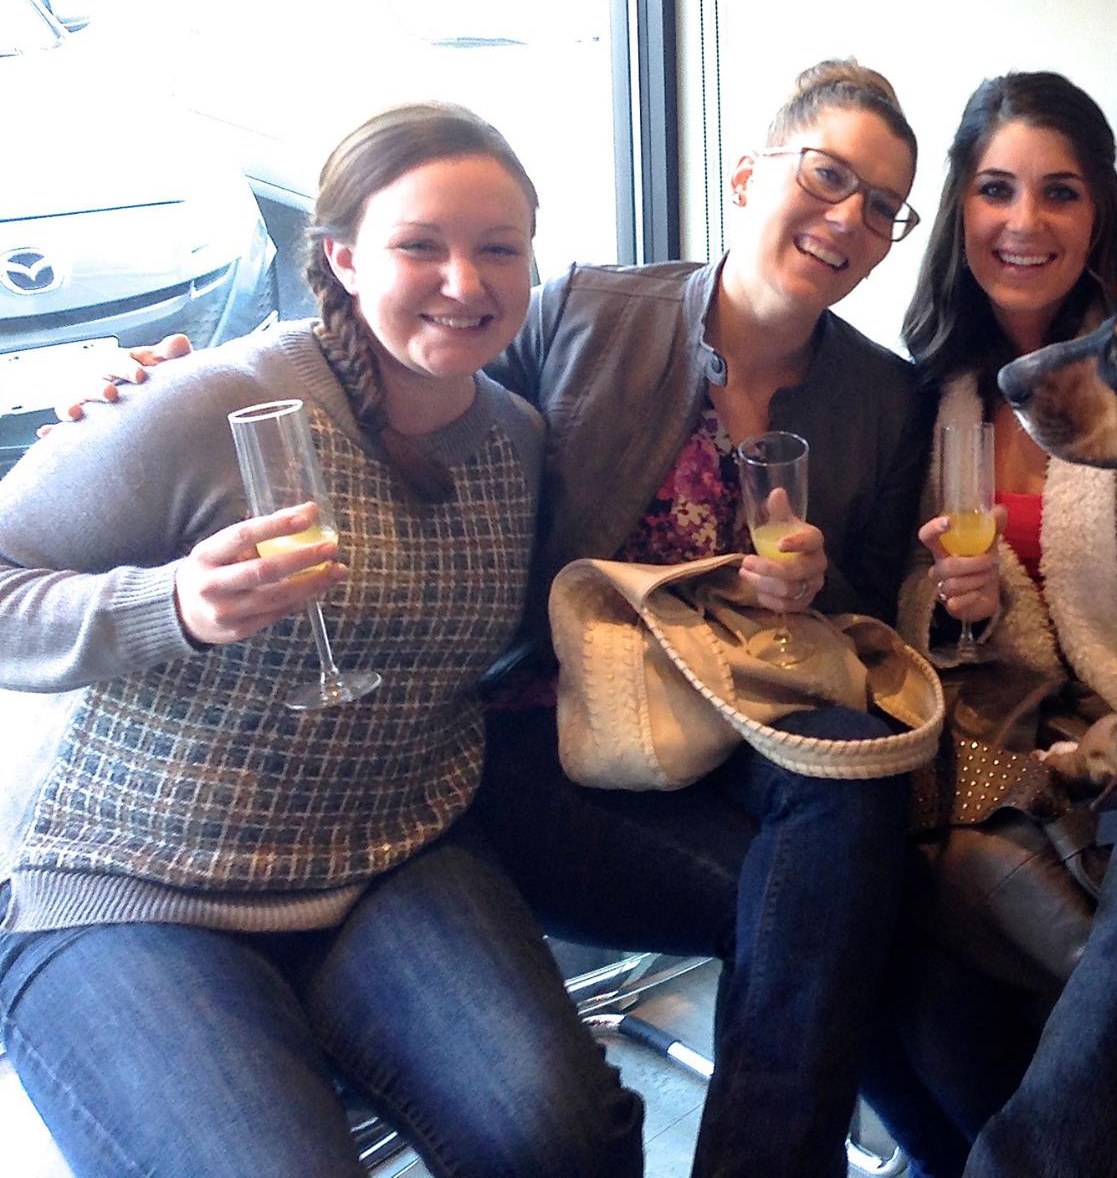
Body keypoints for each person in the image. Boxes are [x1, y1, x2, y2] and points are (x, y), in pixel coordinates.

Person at [0, 103, 643, 1177]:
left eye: (499, 250)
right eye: (419, 246)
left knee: (561, 1137)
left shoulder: (517, 439)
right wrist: (170, 608)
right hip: (133, 880)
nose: (466, 283)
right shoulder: (216, 401)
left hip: (393, 852)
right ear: (343, 257)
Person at [465, 58, 932, 1178]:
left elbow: (875, 602)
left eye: (880, 209)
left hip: (746, 714)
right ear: (743, 177)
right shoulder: (585, 311)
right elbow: (413, 391)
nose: (847, 220)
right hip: (557, 728)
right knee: (830, 925)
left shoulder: (882, 397)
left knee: (858, 775)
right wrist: (199, 387)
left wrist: (819, 588)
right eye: (827, 176)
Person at [873, 70, 1117, 1175]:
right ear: (960, 211)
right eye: (994, 190)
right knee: (879, 969)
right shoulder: (933, 393)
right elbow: (926, 634)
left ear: (1098, 215)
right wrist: (971, 614)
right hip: (997, 752)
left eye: (1058, 193)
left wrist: (1080, 736)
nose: (1023, 223)